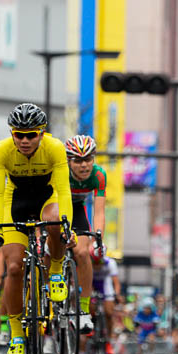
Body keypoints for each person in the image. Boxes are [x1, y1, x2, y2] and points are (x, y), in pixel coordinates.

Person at [0, 103, 75, 354]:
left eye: (31, 135)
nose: (24, 141)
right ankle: (15, 335)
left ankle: (56, 269)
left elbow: (65, 189)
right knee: (14, 268)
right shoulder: (0, 150)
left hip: (48, 197)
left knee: (55, 221)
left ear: (42, 133)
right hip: (15, 202)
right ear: (12, 134)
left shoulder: (55, 147)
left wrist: (67, 224)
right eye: (19, 135)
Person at [65, 134, 106, 334]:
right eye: (78, 161)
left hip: (78, 211)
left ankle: (82, 310)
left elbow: (98, 211)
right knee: (48, 251)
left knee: (83, 253)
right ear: (68, 161)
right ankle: (44, 300)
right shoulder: (60, 172)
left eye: (88, 159)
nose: (84, 165)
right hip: (57, 210)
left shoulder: (98, 175)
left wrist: (98, 239)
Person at [91, 247, 121, 354]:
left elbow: (116, 282)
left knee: (109, 313)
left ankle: (108, 340)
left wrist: (116, 295)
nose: (98, 265)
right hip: (92, 285)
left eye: (100, 261)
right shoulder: (88, 261)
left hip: (106, 286)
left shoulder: (110, 263)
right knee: (90, 307)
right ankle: (91, 325)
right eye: (95, 262)